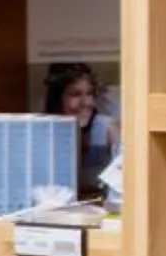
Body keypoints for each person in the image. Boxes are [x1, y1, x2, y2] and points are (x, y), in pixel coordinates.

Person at [43, 60, 117, 199]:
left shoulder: (108, 129)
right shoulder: (45, 132)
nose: (86, 103)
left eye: (89, 94)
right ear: (57, 98)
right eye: (75, 94)